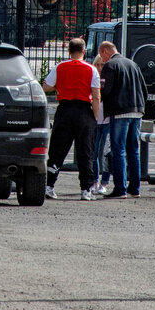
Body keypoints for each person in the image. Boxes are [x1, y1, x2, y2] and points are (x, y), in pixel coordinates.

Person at [41, 37, 100, 201]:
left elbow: (45, 86)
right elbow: (96, 96)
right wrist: (94, 116)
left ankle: (49, 185)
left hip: (65, 110)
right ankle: (86, 189)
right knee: (85, 152)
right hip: (83, 111)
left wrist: (59, 86)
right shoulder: (91, 69)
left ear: (69, 51)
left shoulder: (60, 67)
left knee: (57, 151)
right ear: (84, 51)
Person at [97, 40, 148, 199]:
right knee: (134, 150)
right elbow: (144, 89)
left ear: (105, 51)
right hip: (137, 111)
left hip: (119, 112)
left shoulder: (110, 66)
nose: (102, 60)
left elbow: (105, 90)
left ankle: (120, 189)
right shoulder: (133, 64)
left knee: (118, 149)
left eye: (102, 56)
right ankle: (135, 188)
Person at [89, 50, 114, 197]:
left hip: (107, 120)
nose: (100, 67)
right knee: (94, 153)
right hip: (95, 120)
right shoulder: (92, 80)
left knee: (105, 153)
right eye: (97, 64)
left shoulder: (109, 79)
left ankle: (104, 182)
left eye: (102, 64)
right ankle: (94, 180)